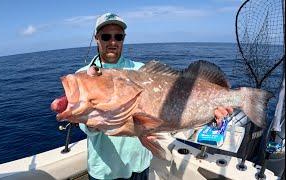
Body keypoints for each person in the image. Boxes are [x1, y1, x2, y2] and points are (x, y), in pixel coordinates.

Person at [75, 12, 233, 180]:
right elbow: (84, 125)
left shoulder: (140, 69)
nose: (113, 42)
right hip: (105, 170)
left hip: (140, 164)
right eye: (106, 36)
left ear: (123, 38)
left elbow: (174, 104)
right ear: (97, 38)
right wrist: (90, 122)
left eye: (118, 36)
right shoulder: (83, 77)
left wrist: (210, 112)